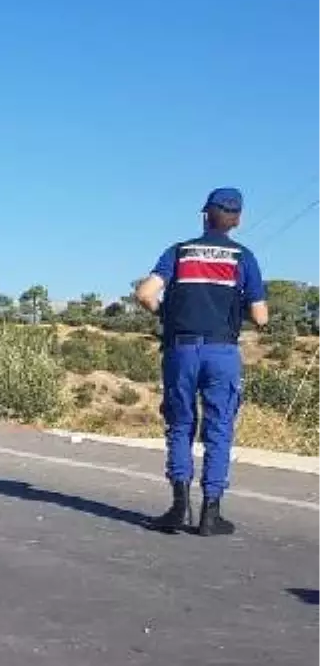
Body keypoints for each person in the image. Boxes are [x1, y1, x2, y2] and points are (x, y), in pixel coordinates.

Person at [134, 187, 269, 536]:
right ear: (237, 219)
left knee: (180, 424)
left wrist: (167, 313)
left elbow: (145, 293)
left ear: (204, 215)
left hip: (181, 349)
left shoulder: (178, 252)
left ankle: (179, 507)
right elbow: (261, 316)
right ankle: (211, 512)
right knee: (219, 427)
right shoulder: (243, 257)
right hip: (221, 352)